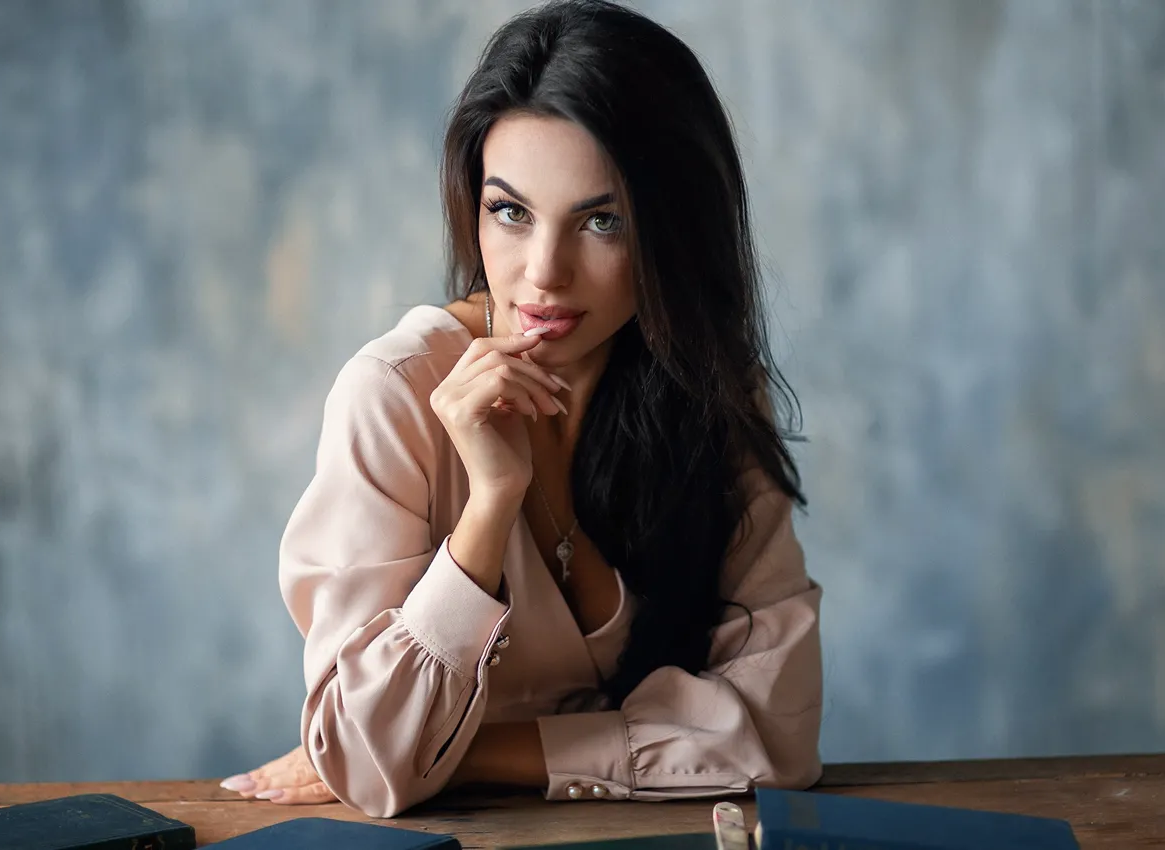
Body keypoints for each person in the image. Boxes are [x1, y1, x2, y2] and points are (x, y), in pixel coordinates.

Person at [219, 0, 823, 818]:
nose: (543, 273)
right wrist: (488, 510)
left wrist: (463, 758)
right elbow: (367, 761)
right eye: (511, 212)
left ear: (674, 232)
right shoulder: (393, 399)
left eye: (601, 221)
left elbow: (774, 735)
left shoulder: (709, 393)